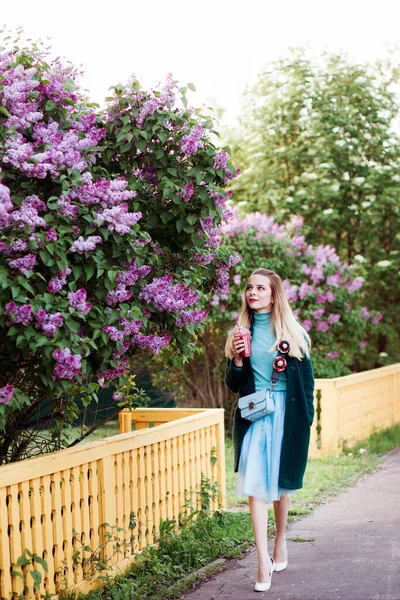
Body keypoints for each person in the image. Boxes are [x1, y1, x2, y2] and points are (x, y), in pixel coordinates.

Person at [225, 268, 315, 592]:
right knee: (255, 486)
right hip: (256, 417)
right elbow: (233, 385)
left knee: (281, 485)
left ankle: (280, 539)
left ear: (273, 295)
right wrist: (236, 361)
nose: (252, 292)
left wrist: (307, 419)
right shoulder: (241, 332)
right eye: (249, 287)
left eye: (260, 288)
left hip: (287, 419)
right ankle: (262, 561)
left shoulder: (291, 333)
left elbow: (306, 384)